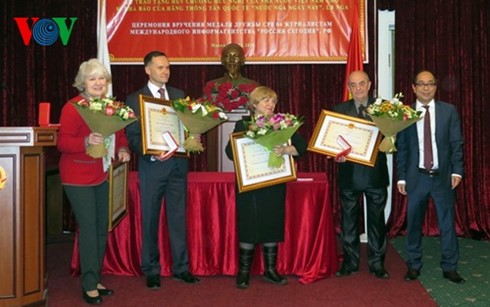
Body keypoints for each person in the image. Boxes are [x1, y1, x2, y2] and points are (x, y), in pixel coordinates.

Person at [58, 58, 131, 305]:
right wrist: (86, 141)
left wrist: (123, 150)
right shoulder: (73, 107)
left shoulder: (112, 107)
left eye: (101, 78)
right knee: (89, 230)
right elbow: (62, 143)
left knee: (101, 229)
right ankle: (89, 284)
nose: (98, 83)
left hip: (105, 173)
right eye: (92, 79)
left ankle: (95, 277)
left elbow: (120, 135)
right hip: (78, 177)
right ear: (83, 83)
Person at [125, 51, 200, 290]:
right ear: (147, 70)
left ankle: (181, 268)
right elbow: (132, 136)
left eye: (167, 67)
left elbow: (187, 127)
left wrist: (193, 135)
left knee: (178, 219)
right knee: (150, 219)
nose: (165, 71)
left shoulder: (179, 95)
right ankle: (152, 269)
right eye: (160, 67)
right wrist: (149, 150)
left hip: (178, 166)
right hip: (153, 167)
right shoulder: (135, 99)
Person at [225, 86, 308, 289]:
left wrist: (288, 149)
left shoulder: (283, 124)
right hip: (250, 184)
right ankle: (243, 272)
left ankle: (271, 270)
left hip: (273, 182)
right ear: (254, 104)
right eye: (266, 101)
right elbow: (230, 152)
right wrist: (248, 135)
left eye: (273, 101)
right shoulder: (242, 124)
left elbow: (303, 147)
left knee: (272, 223)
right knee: (249, 224)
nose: (271, 105)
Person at [396, 70, 465, 284]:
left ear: (436, 87)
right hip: (417, 177)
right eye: (421, 84)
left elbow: (456, 144)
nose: (426, 88)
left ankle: (450, 267)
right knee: (414, 223)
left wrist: (457, 171)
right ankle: (414, 265)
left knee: (447, 223)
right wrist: (401, 178)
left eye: (430, 84)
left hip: (443, 177)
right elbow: (403, 149)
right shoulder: (405, 113)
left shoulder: (449, 111)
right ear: (413, 87)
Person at [332, 70, 390, 279]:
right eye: (353, 85)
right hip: (349, 173)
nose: (358, 88)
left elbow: (392, 136)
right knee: (349, 221)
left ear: (369, 84)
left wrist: (390, 140)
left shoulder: (384, 108)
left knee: (376, 221)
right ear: (348, 88)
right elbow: (332, 141)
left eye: (361, 84)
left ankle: (377, 264)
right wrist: (335, 154)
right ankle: (350, 262)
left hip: (375, 174)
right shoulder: (339, 109)